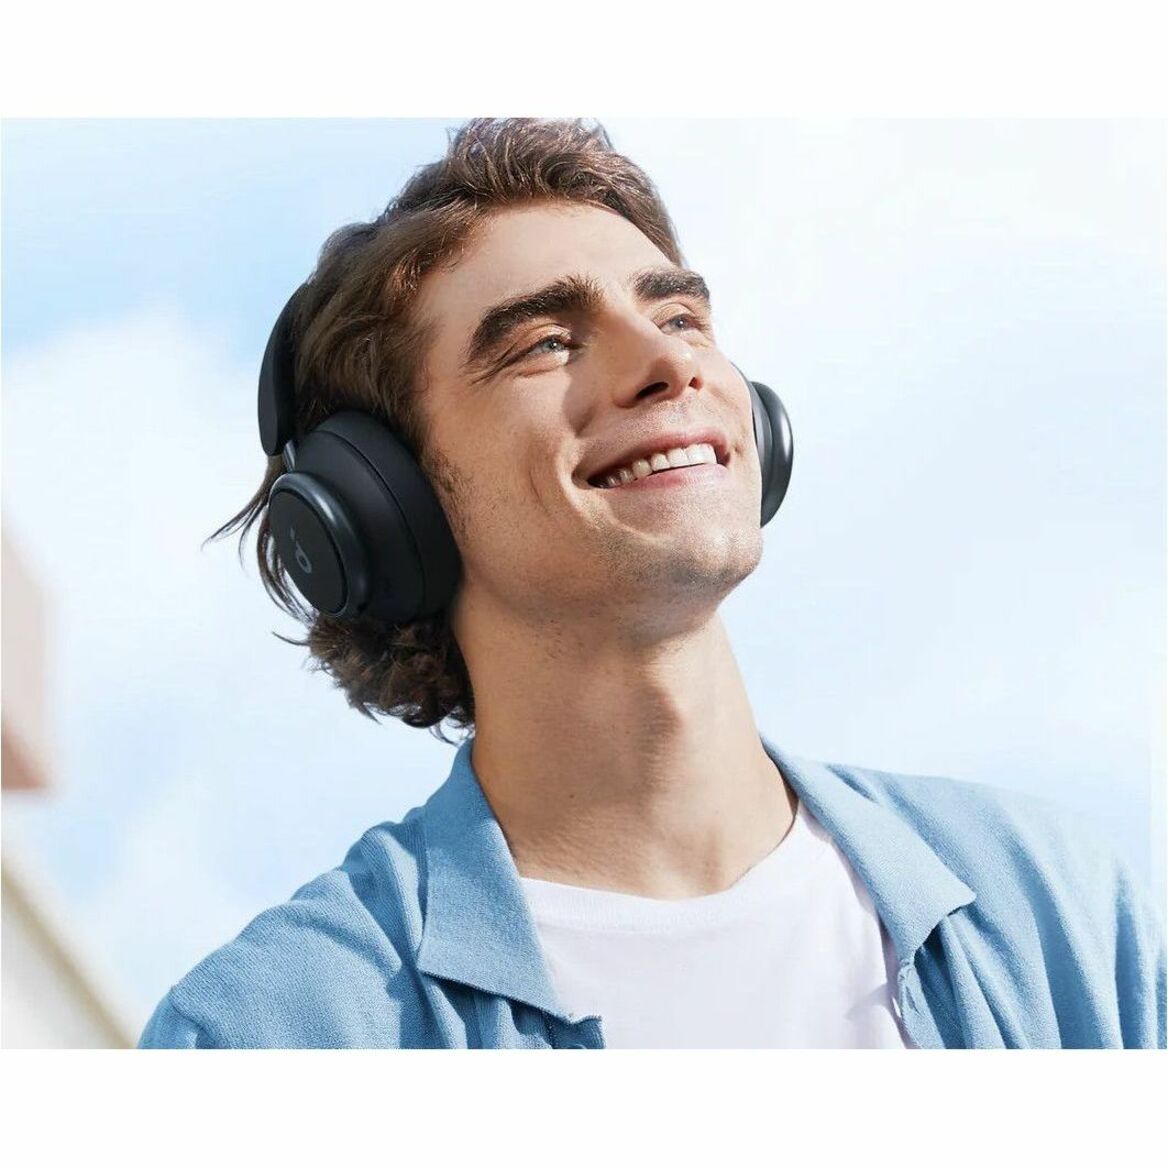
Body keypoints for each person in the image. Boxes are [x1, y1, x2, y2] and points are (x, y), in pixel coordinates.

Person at [139, 118, 1165, 1049]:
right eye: (545, 342)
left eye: (679, 317)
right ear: (385, 507)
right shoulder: (276, 1031)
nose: (668, 366)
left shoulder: (1056, 907)